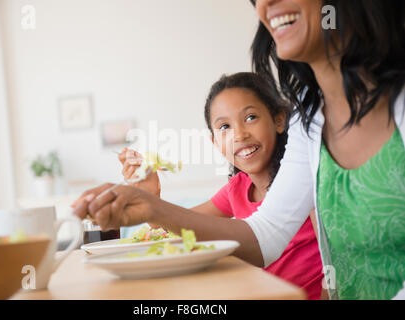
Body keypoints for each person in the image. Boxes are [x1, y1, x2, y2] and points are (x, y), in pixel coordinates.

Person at [72, 0, 405, 299]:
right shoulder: (311, 120)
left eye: (250, 117)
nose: (266, 3)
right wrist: (150, 206)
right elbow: (264, 236)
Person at [116, 72, 323, 299]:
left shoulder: (302, 180)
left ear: (279, 120)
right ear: (215, 143)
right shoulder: (236, 188)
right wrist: (151, 196)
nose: (239, 135)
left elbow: (334, 260)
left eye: (251, 117)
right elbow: (181, 226)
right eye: (224, 127)